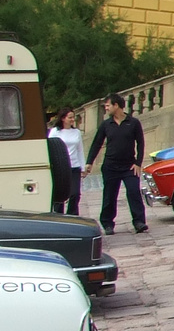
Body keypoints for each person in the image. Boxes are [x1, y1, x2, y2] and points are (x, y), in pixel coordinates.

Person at [84, 94, 147, 234]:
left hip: (129, 166)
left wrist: (138, 163)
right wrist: (89, 162)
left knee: (133, 192)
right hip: (110, 166)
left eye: (108, 105)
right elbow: (96, 143)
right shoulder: (106, 124)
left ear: (116, 105)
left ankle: (139, 221)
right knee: (109, 195)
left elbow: (141, 143)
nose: (106, 108)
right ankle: (107, 223)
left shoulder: (133, 122)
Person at [49, 108, 85, 215]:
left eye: (73, 117)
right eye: (70, 117)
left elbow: (80, 150)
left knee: (75, 193)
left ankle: (72, 214)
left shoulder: (76, 132)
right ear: (63, 118)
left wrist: (82, 167)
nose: (72, 119)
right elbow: (50, 148)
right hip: (60, 167)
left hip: (74, 166)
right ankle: (59, 215)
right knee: (60, 194)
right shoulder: (55, 132)